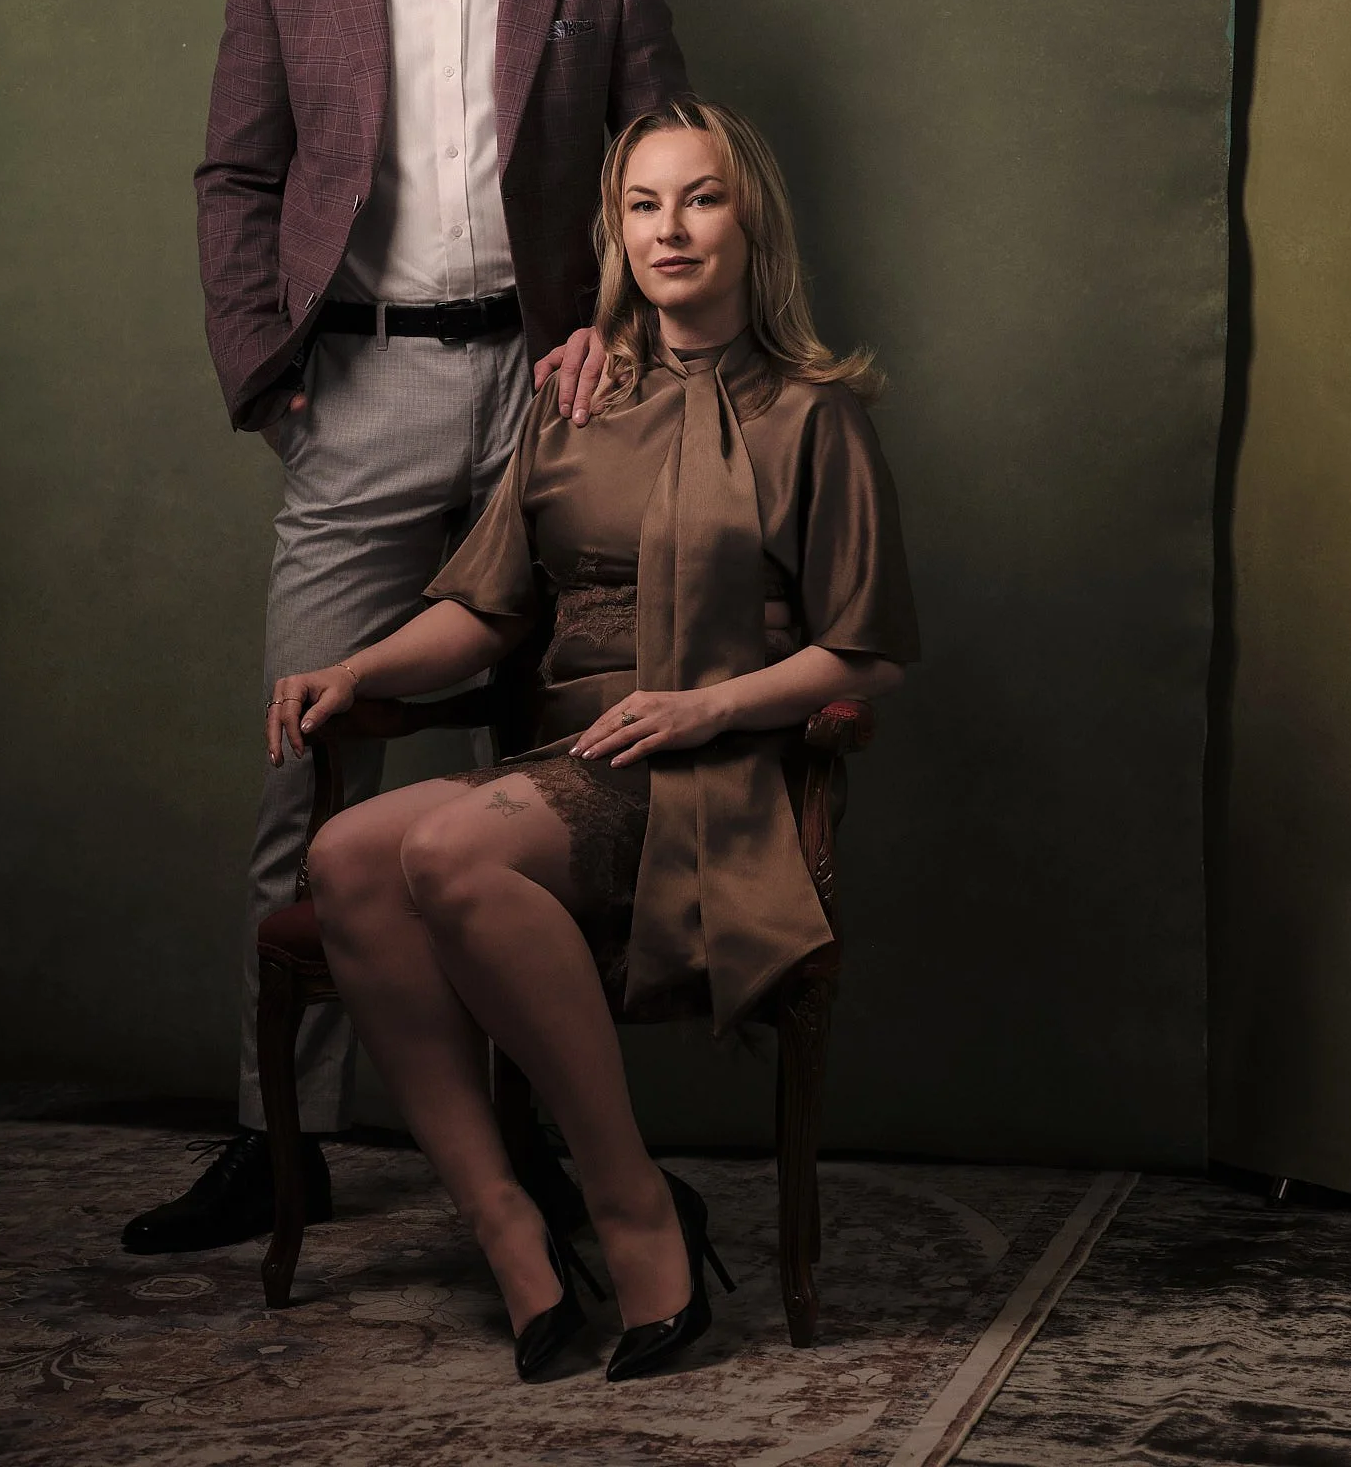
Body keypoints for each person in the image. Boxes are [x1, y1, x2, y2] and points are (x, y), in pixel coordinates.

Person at [123, 0, 687, 1255]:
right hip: (357, 391)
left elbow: (670, 151)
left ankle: (552, 1140)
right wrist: (266, 373)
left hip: (550, 391)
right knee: (307, 761)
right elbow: (235, 176)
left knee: (550, 780)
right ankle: (274, 1139)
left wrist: (618, 327)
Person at [268, 98, 919, 1381]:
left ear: (752, 222)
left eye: (702, 197)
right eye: (643, 203)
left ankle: (632, 1209)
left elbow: (869, 649)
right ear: (616, 235)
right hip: (567, 764)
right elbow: (477, 609)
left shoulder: (815, 413)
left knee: (449, 850)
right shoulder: (570, 400)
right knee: (346, 851)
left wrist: (712, 703)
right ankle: (507, 1218)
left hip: (711, 768)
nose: (671, 227)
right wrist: (353, 665)